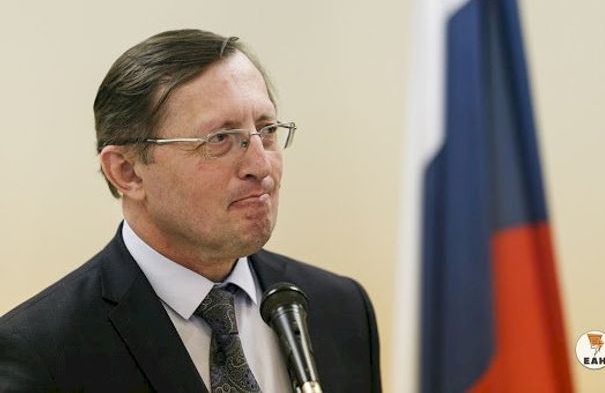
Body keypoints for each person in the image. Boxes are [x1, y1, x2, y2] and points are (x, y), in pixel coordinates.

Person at [0, 29, 381, 392]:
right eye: (220, 139)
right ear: (127, 171)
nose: (261, 165)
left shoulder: (340, 309)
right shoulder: (41, 352)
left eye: (267, 131)